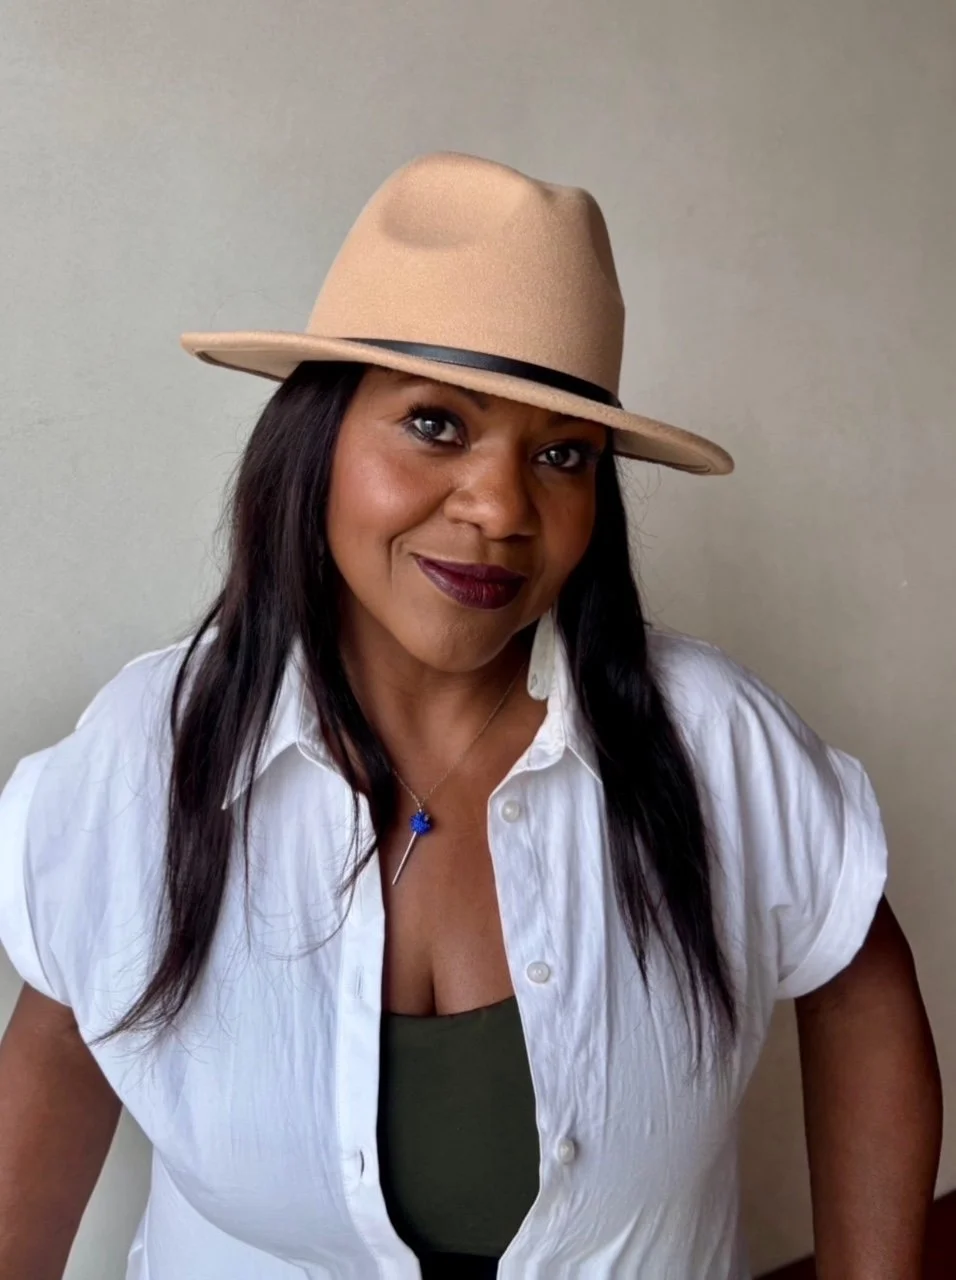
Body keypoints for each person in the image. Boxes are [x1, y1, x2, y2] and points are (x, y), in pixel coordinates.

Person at [0, 152, 941, 1280]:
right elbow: (59, 1045)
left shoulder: (709, 740)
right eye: (436, 424)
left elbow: (857, 983)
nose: (500, 508)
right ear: (318, 438)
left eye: (561, 454)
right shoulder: (150, 754)